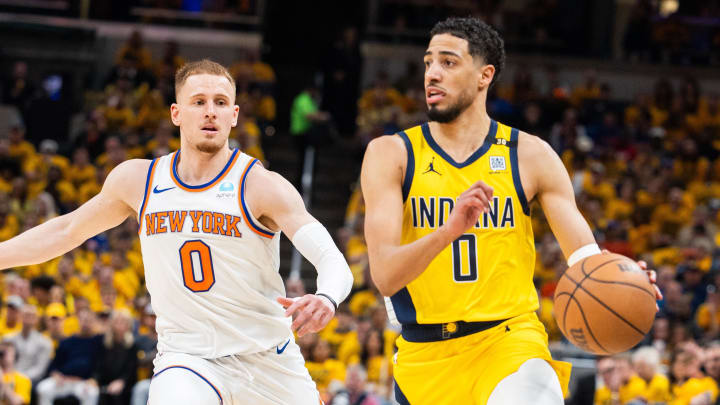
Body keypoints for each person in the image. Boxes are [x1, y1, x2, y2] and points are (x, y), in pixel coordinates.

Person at [0, 59, 353, 405]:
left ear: (234, 115)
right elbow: (65, 230)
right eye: (198, 102)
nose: (210, 111)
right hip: (187, 358)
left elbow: (331, 258)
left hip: (268, 358)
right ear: (176, 113)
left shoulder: (261, 186)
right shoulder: (139, 180)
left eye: (220, 103)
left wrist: (327, 297)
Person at [360, 17, 661, 405]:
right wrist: (447, 231)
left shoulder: (530, 155)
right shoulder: (391, 154)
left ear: (485, 75)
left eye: (448, 63)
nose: (432, 74)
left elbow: (585, 257)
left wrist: (623, 279)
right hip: (423, 356)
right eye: (428, 62)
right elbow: (384, 276)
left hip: (509, 342)